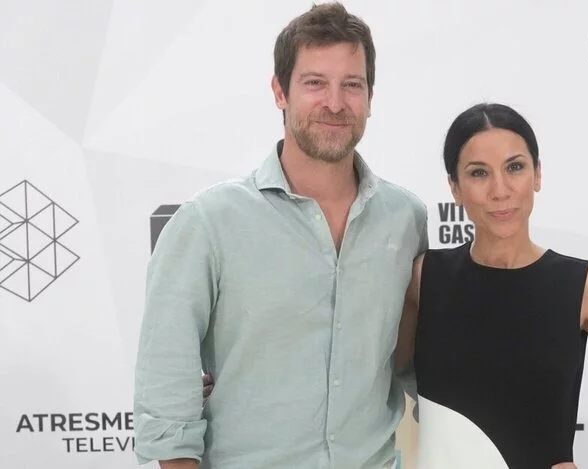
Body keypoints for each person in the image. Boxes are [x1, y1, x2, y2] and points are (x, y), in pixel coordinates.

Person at [133, 3, 427, 469]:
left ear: (370, 97)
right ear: (279, 91)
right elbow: (165, 387)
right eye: (315, 83)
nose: (335, 103)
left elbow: (413, 364)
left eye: (352, 85)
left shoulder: (405, 219)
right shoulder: (209, 222)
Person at [392, 103, 588, 469]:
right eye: (479, 173)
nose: (500, 190)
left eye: (515, 167)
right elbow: (381, 381)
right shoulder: (425, 278)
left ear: (537, 174)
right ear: (455, 188)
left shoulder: (581, 285)